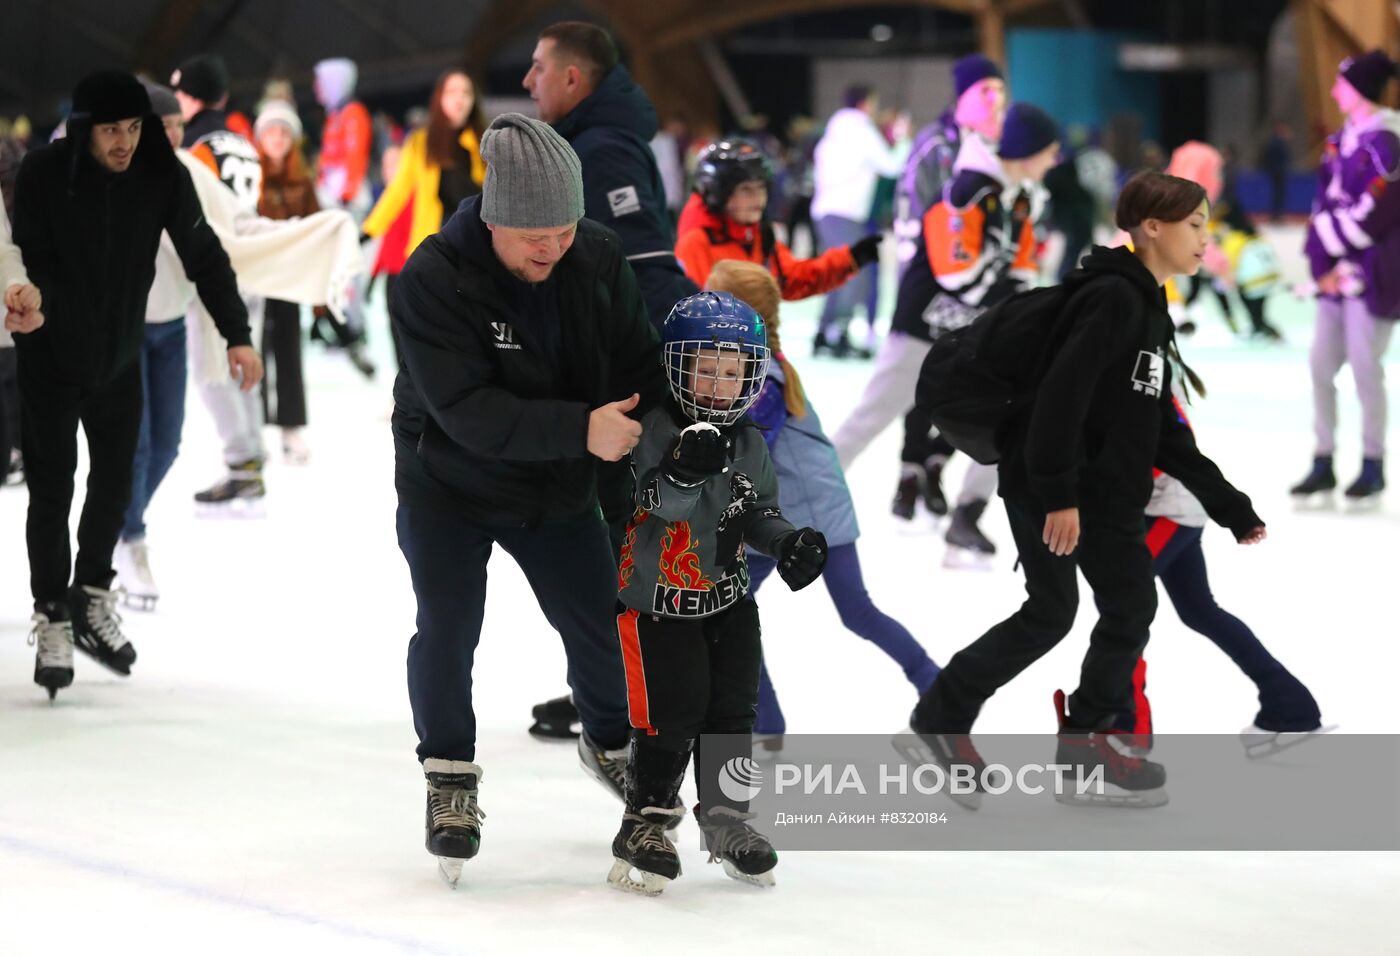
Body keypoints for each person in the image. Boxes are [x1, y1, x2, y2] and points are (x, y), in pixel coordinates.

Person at [903, 172, 1266, 809]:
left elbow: (1157, 425)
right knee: (1052, 612)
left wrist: (1228, 504)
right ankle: (943, 715)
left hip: (1108, 496)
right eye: (1196, 224)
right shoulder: (1113, 301)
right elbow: (1059, 401)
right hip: (1058, 485)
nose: (1207, 238)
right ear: (1152, 228)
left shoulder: (1149, 304)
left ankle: (1086, 745)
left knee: (1128, 609)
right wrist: (1057, 495)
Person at [390, 113, 669, 886]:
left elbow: (638, 363)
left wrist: (664, 430)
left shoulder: (595, 258)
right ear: (493, 216)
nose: (552, 246)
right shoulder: (431, 280)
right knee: (448, 626)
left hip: (557, 489)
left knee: (605, 629)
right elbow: (467, 412)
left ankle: (609, 743)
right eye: (534, 234)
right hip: (447, 484)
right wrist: (583, 429)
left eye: (564, 230)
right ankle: (449, 777)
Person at [12, 71, 259, 699]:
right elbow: (23, 252)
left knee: (117, 484)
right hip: (49, 359)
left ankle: (91, 594)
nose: (123, 142)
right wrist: (26, 299)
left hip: (118, 360)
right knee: (50, 490)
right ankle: (51, 615)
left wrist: (236, 332)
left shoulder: (161, 175)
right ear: (82, 129)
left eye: (133, 128)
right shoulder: (43, 174)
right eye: (110, 131)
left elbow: (204, 254)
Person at [607, 289, 827, 895]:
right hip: (658, 606)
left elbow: (756, 511)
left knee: (732, 710)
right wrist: (682, 469)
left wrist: (786, 542)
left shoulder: (749, 442)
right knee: (671, 715)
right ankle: (644, 820)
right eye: (705, 369)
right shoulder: (652, 429)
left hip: (729, 600)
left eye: (733, 373)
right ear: (677, 365)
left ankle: (727, 818)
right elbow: (660, 505)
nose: (718, 385)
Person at [706, 260, 940, 748]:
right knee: (734, 609)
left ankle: (938, 688)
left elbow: (746, 454)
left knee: (850, 612)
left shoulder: (760, 378)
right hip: (799, 511)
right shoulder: (755, 365)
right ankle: (765, 721)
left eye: (714, 300)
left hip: (809, 514)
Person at [832, 102, 1059, 564]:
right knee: (869, 419)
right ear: (1029, 149)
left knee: (1011, 418)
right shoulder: (967, 191)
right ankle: (794, 501)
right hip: (922, 329)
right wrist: (1009, 300)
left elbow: (1019, 270)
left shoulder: (1020, 197)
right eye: (1049, 151)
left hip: (973, 336)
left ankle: (967, 516)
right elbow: (960, 274)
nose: (1054, 161)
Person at [1127, 385, 1327, 758]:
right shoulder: (1143, 353)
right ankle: (1290, 705)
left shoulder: (1138, 357)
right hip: (1172, 503)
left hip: (1166, 506)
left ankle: (1128, 730)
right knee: (1198, 610)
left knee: (1123, 609)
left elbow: (1158, 440)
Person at [889, 54, 1006, 523]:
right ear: (962, 97)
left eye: (1000, 92)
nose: (996, 101)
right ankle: (912, 472)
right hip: (933, 287)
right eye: (985, 92)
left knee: (973, 385)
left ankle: (933, 462)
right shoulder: (938, 144)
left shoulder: (993, 145)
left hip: (977, 289)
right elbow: (913, 210)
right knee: (922, 382)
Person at [523, 21, 697, 329]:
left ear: (571, 78)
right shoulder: (591, 141)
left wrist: (647, 364)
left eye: (538, 68)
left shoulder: (603, 150)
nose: (528, 81)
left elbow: (642, 264)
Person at [1292, 50, 1400, 502]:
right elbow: (1322, 208)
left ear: (1361, 90)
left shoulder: (1387, 144)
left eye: (1342, 83)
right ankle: (1323, 458)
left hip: (1374, 275)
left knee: (1363, 367)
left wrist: (1338, 258)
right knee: (1320, 365)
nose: (1335, 91)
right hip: (1338, 278)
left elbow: (1377, 214)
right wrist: (1325, 269)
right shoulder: (1340, 142)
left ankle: (1372, 462)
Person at [171, 54, 274, 513]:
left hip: (218, 265)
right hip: (254, 259)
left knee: (212, 369)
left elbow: (196, 210)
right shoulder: (242, 141)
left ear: (189, 95)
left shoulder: (193, 146)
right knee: (243, 362)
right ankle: (250, 459)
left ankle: (241, 461)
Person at [113, 82, 196, 609]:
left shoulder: (189, 177)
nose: (170, 134)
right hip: (125, 330)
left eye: (175, 126)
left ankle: (115, 522)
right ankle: (129, 538)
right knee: (137, 446)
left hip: (173, 328)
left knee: (167, 444)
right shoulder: (115, 181)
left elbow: (227, 236)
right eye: (159, 126)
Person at [362, 67, 486, 372]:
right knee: (422, 323)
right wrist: (367, 231)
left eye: (466, 92)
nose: (459, 99)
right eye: (452, 92)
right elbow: (399, 190)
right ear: (439, 99)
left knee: (470, 328)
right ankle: (416, 392)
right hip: (435, 248)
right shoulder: (421, 142)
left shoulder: (485, 142)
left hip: (476, 250)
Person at [673, 137, 880, 298]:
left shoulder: (757, 236)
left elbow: (793, 279)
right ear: (718, 193)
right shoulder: (697, 243)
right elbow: (695, 325)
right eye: (745, 189)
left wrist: (850, 259)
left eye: (761, 188)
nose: (758, 198)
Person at [810, 84, 911, 358]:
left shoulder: (832, 134)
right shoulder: (862, 131)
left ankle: (824, 331)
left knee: (838, 271)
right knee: (855, 274)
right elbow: (890, 165)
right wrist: (902, 142)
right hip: (847, 212)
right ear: (867, 103)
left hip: (824, 211)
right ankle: (838, 335)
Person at [254, 99, 318, 463]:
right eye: (270, 132)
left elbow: (316, 225)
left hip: (290, 279)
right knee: (255, 354)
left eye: (283, 132)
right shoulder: (250, 176)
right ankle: (257, 427)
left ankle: (291, 428)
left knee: (289, 352)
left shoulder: (303, 181)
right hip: (256, 278)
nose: (277, 138)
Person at [311, 56, 376, 379]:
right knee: (336, 270)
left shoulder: (351, 114)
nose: (316, 88)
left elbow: (353, 159)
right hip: (335, 202)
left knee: (350, 270)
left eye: (320, 81)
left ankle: (355, 331)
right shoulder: (337, 115)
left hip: (345, 205)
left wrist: (345, 196)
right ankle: (342, 329)